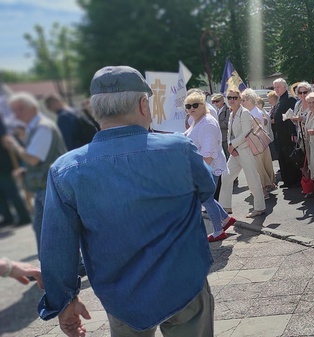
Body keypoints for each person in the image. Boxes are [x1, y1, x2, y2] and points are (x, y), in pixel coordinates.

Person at [38, 66, 215, 336]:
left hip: (121, 292)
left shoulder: (66, 169)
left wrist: (64, 300)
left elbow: (57, 243)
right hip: (184, 280)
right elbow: (207, 190)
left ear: (95, 111)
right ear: (144, 104)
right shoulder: (179, 149)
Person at [3, 92, 67, 253]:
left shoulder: (43, 127)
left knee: (52, 232)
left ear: (33, 107)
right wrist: (26, 171)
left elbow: (34, 159)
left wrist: (14, 147)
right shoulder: (35, 128)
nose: (16, 114)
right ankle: (51, 268)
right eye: (14, 110)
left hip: (49, 187)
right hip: (45, 185)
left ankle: (66, 267)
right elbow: (38, 161)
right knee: (45, 231)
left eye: (19, 109)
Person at [183, 92, 236, 242]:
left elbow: (208, 153)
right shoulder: (198, 121)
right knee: (207, 197)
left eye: (195, 105)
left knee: (205, 197)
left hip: (208, 165)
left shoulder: (207, 123)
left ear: (203, 105)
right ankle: (225, 219)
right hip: (202, 165)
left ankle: (218, 230)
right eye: (188, 106)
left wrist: (200, 170)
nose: (191, 109)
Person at [219, 88, 266, 218]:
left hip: (245, 150)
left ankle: (259, 207)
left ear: (240, 99)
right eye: (229, 98)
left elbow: (246, 132)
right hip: (235, 151)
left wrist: (232, 145)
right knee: (226, 177)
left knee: (252, 178)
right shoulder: (232, 113)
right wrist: (231, 146)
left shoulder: (244, 113)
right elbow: (230, 132)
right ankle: (225, 207)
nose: (232, 100)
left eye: (235, 98)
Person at [240, 89, 275, 198]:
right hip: (260, 143)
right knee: (263, 166)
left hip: (256, 144)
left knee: (258, 167)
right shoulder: (254, 111)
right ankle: (268, 186)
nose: (242, 102)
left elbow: (251, 130)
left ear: (250, 100)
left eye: (243, 100)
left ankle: (264, 190)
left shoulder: (253, 113)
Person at [0, 116, 31, 226]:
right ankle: (7, 217)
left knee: (11, 192)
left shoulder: (4, 132)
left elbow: (6, 140)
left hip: (4, 165)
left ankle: (23, 216)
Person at [272, 78, 302, 188]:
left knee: (290, 156)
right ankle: (287, 180)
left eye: (278, 87)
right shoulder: (279, 100)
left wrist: (292, 133)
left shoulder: (289, 99)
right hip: (279, 133)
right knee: (282, 157)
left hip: (287, 133)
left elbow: (290, 118)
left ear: (285, 87)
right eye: (275, 87)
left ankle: (294, 180)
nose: (276, 89)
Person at [211, 93, 230, 158]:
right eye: (214, 102)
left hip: (225, 137)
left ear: (222, 101)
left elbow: (227, 123)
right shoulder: (217, 110)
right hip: (219, 138)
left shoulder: (227, 110)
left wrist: (216, 124)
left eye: (217, 101)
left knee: (228, 156)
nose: (216, 103)